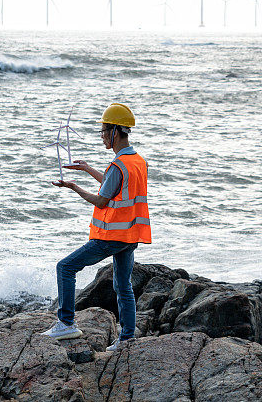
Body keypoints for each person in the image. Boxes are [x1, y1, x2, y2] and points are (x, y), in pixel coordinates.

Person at [41, 103, 150, 351]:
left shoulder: (117, 165)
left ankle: (66, 323)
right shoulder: (137, 161)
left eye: (103, 131)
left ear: (115, 132)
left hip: (112, 234)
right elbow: (115, 186)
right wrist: (88, 168)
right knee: (123, 285)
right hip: (131, 234)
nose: (101, 136)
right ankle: (127, 339)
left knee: (65, 267)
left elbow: (103, 198)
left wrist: (74, 188)